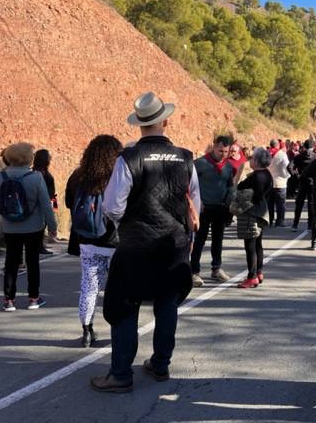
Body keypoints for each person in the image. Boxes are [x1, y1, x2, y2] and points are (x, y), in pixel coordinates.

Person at [90, 92, 200, 393]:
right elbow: (195, 206)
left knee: (125, 306)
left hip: (136, 245)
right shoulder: (186, 157)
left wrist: (125, 222)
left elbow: (112, 206)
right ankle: (160, 364)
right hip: (174, 244)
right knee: (167, 303)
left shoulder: (129, 158)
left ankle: (121, 374)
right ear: (165, 120)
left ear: (139, 123)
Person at [65, 135, 122, 347]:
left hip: (87, 240)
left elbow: (69, 202)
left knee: (89, 287)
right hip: (114, 241)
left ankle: (87, 331)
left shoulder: (78, 176)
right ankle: (119, 328)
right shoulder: (118, 176)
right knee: (118, 288)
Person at [0, 143, 57, 311]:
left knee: (11, 262)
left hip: (10, 227)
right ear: (28, 158)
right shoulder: (36, 177)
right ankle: (33, 298)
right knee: (33, 262)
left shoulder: (0, 177)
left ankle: (9, 300)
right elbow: (46, 205)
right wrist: (52, 226)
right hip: (33, 227)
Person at [190, 136, 235, 287]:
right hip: (203, 208)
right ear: (213, 147)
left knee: (218, 239)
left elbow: (230, 186)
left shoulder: (228, 167)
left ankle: (216, 268)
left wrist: (230, 202)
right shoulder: (199, 164)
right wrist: (197, 201)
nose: (223, 154)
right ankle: (194, 271)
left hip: (220, 208)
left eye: (226, 151)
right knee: (199, 240)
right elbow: (190, 184)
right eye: (220, 150)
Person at [235, 147, 273, 288]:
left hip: (251, 213)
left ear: (256, 161)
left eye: (252, 158)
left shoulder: (255, 177)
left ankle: (251, 277)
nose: (250, 160)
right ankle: (259, 272)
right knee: (258, 244)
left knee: (250, 245)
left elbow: (239, 187)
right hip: (263, 212)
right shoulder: (268, 175)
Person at [33, 149, 56, 255]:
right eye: (48, 156)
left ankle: (40, 244)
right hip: (43, 200)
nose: (50, 158)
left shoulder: (42, 170)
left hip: (48, 198)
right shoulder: (40, 171)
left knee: (43, 223)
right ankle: (39, 246)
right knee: (41, 223)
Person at [292, 140, 316, 231]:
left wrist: (296, 175)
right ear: (313, 147)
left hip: (302, 181)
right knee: (311, 204)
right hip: (312, 182)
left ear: (304, 147)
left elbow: (290, 167)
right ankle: (310, 225)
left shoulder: (298, 157)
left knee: (299, 204)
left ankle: (295, 224)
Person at [267, 139, 290, 227]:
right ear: (278, 145)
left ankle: (269, 219)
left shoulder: (266, 153)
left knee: (270, 203)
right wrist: (286, 176)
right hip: (280, 181)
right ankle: (280, 221)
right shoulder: (281, 154)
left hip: (269, 180)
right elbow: (286, 166)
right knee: (280, 203)